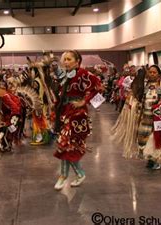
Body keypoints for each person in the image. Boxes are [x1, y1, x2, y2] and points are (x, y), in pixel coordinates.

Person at [53, 50, 102, 190]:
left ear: (77, 61)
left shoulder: (84, 74)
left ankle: (63, 176)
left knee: (65, 144)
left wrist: (84, 101)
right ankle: (79, 174)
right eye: (64, 59)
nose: (66, 62)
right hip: (65, 113)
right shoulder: (65, 76)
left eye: (69, 59)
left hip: (77, 115)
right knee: (68, 146)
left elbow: (99, 87)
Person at [136, 65, 161, 170]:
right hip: (145, 117)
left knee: (155, 139)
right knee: (144, 139)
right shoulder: (146, 85)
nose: (152, 74)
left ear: (159, 75)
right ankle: (150, 159)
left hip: (157, 118)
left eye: (154, 72)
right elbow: (142, 100)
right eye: (150, 72)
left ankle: (155, 160)